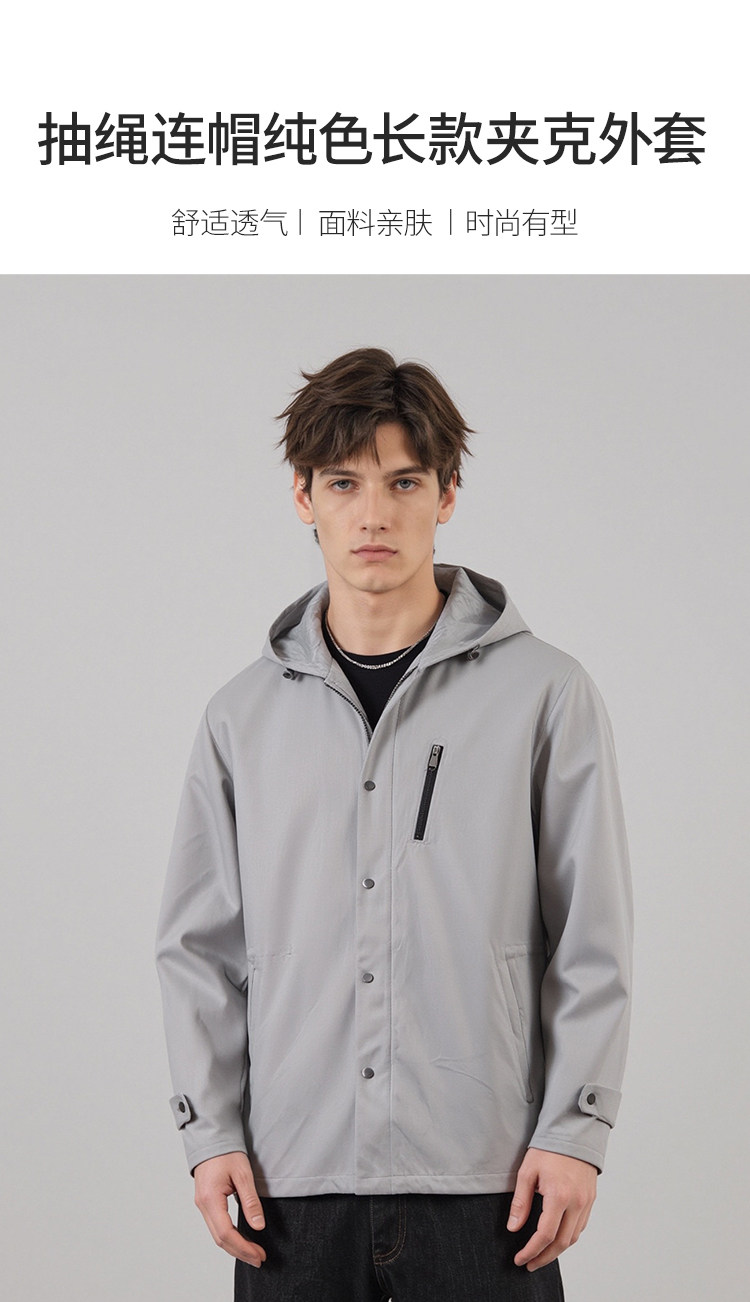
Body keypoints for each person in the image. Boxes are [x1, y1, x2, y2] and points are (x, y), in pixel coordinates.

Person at [155, 348, 633, 1301]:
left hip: (490, 1179)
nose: (374, 515)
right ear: (303, 496)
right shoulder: (240, 717)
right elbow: (197, 948)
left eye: (404, 482)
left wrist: (576, 1131)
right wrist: (208, 1135)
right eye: (344, 483)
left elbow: (593, 935)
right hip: (291, 1185)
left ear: (447, 494)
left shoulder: (545, 694)